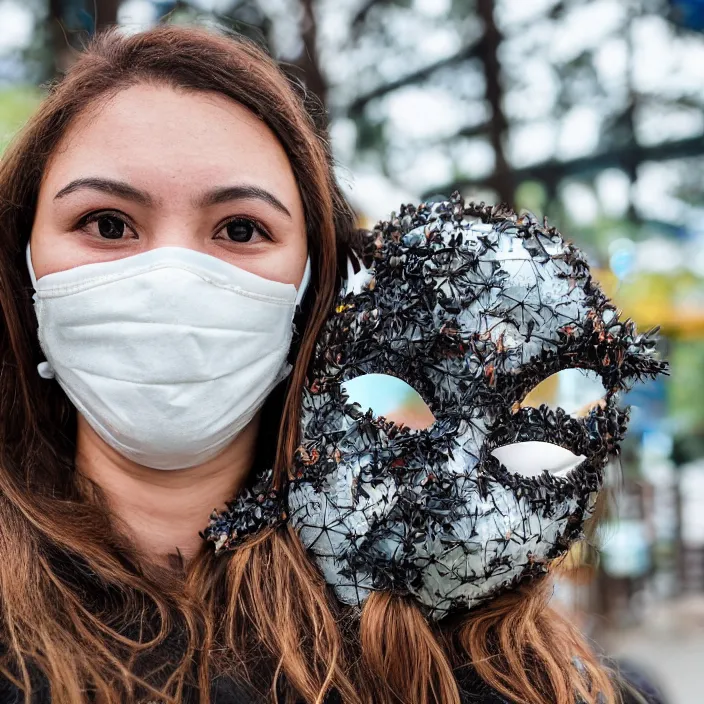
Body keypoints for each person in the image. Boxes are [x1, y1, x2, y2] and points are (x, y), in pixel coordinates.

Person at [0, 23, 665, 704]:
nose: (172, 274)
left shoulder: (465, 649)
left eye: (240, 229)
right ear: (23, 264)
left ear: (311, 288)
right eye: (107, 223)